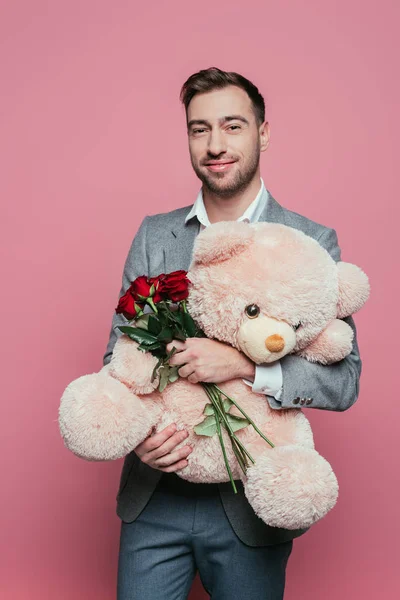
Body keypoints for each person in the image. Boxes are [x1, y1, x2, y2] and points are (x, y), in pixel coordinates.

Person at [103, 67, 362, 600]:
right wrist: (140, 437)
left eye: (232, 126)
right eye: (200, 129)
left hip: (252, 507)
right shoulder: (156, 235)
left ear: (263, 132)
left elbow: (345, 382)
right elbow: (117, 354)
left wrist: (248, 365)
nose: (215, 145)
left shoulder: (310, 241)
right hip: (156, 496)